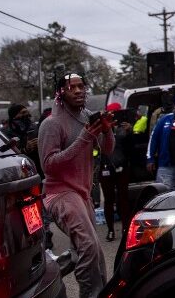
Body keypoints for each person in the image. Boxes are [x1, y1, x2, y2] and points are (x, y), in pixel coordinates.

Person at [38, 70, 114, 298]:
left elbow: (107, 150)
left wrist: (107, 130)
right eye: (73, 87)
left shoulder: (87, 116)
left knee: (88, 251)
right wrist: (84, 138)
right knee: (88, 247)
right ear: (60, 92)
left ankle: (41, 281)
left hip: (82, 195)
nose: (79, 91)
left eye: (82, 86)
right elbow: (48, 165)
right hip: (60, 194)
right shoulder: (51, 124)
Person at [98, 102, 132, 241]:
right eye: (111, 113)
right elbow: (96, 146)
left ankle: (125, 228)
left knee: (123, 199)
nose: (114, 116)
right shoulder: (102, 127)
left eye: (116, 113)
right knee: (108, 200)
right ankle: (111, 230)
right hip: (106, 166)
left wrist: (130, 133)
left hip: (122, 167)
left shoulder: (124, 127)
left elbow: (132, 148)